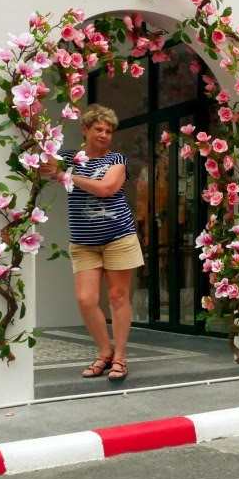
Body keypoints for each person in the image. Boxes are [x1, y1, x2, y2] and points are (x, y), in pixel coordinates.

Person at [41, 104, 143, 382]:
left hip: (118, 237)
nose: (104, 134)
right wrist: (40, 147)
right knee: (86, 299)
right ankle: (104, 350)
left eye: (109, 130)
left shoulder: (116, 160)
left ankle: (120, 356)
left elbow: (108, 189)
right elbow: (39, 166)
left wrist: (66, 176)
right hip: (84, 241)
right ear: (85, 129)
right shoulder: (69, 157)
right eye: (98, 129)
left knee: (117, 297)